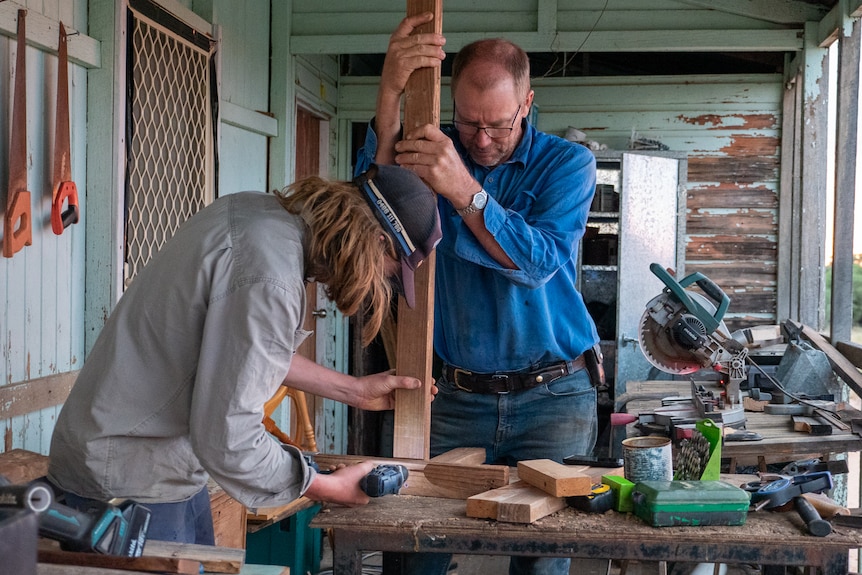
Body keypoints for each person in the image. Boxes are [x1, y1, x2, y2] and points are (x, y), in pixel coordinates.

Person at [47, 164, 442, 544]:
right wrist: (325, 486)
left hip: (151, 462)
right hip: (129, 476)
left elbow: (237, 350)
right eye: (391, 270)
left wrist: (354, 390)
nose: (381, 281)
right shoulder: (270, 278)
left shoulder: (256, 213)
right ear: (376, 241)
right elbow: (228, 438)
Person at [355, 13, 601, 575]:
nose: (482, 140)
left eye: (499, 125)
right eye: (467, 125)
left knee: (542, 562)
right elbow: (376, 202)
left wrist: (463, 190)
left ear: (527, 102)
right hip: (451, 397)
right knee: (414, 548)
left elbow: (536, 262)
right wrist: (391, 92)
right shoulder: (434, 152)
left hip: (554, 397)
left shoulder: (568, 164)